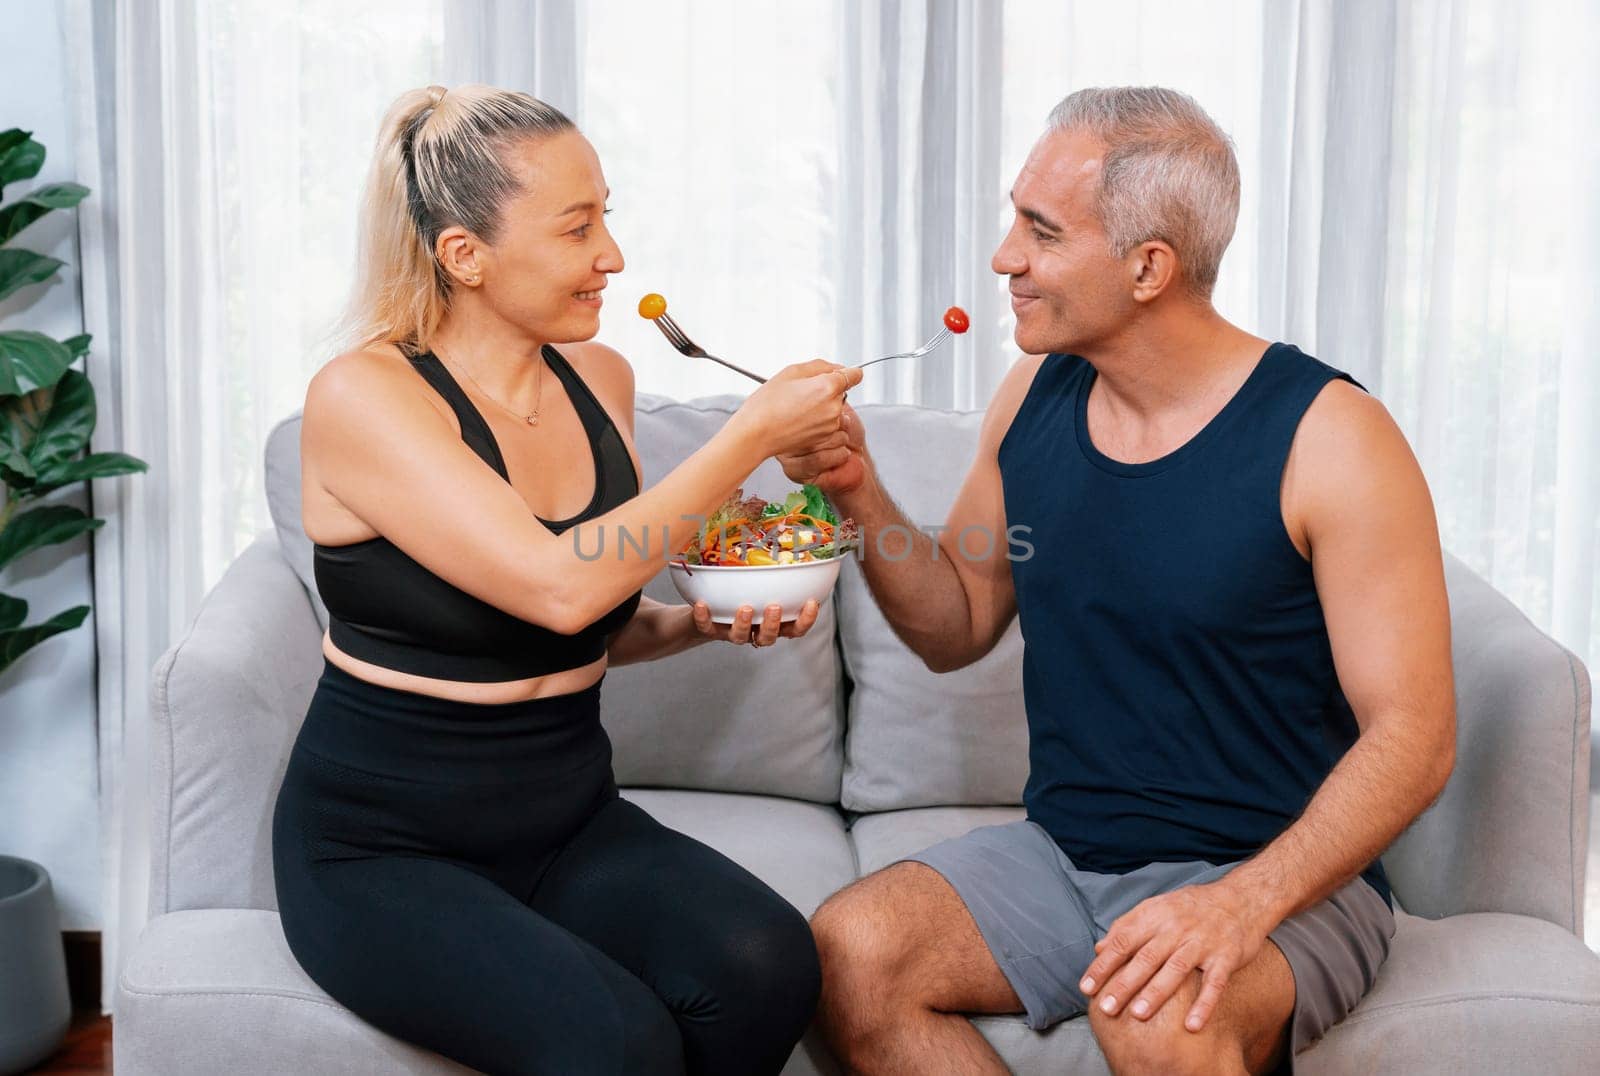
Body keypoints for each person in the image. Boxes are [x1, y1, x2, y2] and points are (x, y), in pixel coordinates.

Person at [782, 86, 1455, 1074]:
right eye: (1014, 217)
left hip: (1281, 873)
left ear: (1147, 267)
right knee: (851, 954)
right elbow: (955, 621)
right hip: (1066, 851)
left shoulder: (1329, 435)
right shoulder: (1032, 397)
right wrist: (855, 486)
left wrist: (1243, 901)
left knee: (1157, 1013)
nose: (1005, 256)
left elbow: (1416, 735)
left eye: (1041, 232)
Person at [270, 84, 861, 1076]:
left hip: (565, 814)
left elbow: (587, 625)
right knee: (617, 1041)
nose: (613, 258)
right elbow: (556, 585)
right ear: (466, 255)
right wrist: (750, 432)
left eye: (607, 217)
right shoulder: (364, 396)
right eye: (577, 226)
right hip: (385, 847)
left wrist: (697, 625)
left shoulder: (600, 378)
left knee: (769, 964)